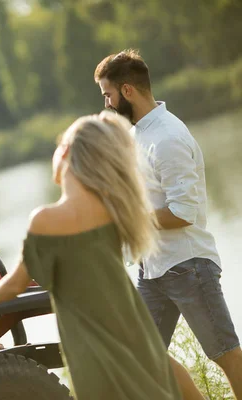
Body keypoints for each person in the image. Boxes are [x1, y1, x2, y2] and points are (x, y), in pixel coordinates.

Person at [0, 112, 181, 399]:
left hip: (90, 343)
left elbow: (17, 284)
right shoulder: (116, 207)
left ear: (66, 151)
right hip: (134, 328)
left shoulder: (45, 220)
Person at [95, 49, 242, 398]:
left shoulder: (168, 137)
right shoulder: (137, 135)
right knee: (142, 354)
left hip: (188, 267)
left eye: (108, 94)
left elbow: (182, 212)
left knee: (226, 354)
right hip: (153, 269)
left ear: (127, 90)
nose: (107, 104)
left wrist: (128, 220)